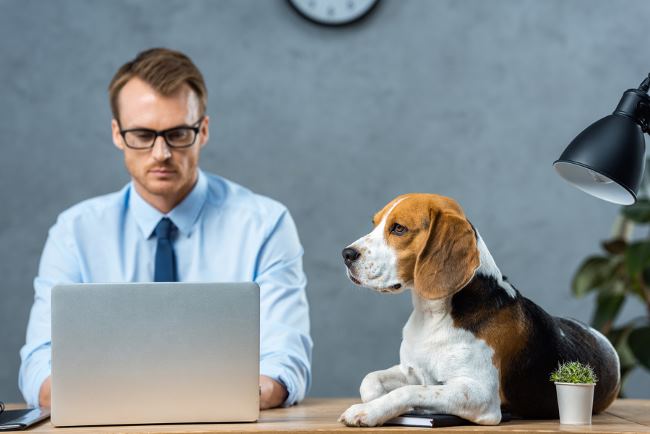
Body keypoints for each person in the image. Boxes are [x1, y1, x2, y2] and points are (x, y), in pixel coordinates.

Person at [19, 48, 312, 410]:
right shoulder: (74, 232)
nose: (160, 153)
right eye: (142, 134)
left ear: (203, 130)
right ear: (117, 134)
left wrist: (237, 394)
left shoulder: (265, 224)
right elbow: (38, 367)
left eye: (177, 133)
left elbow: (285, 362)